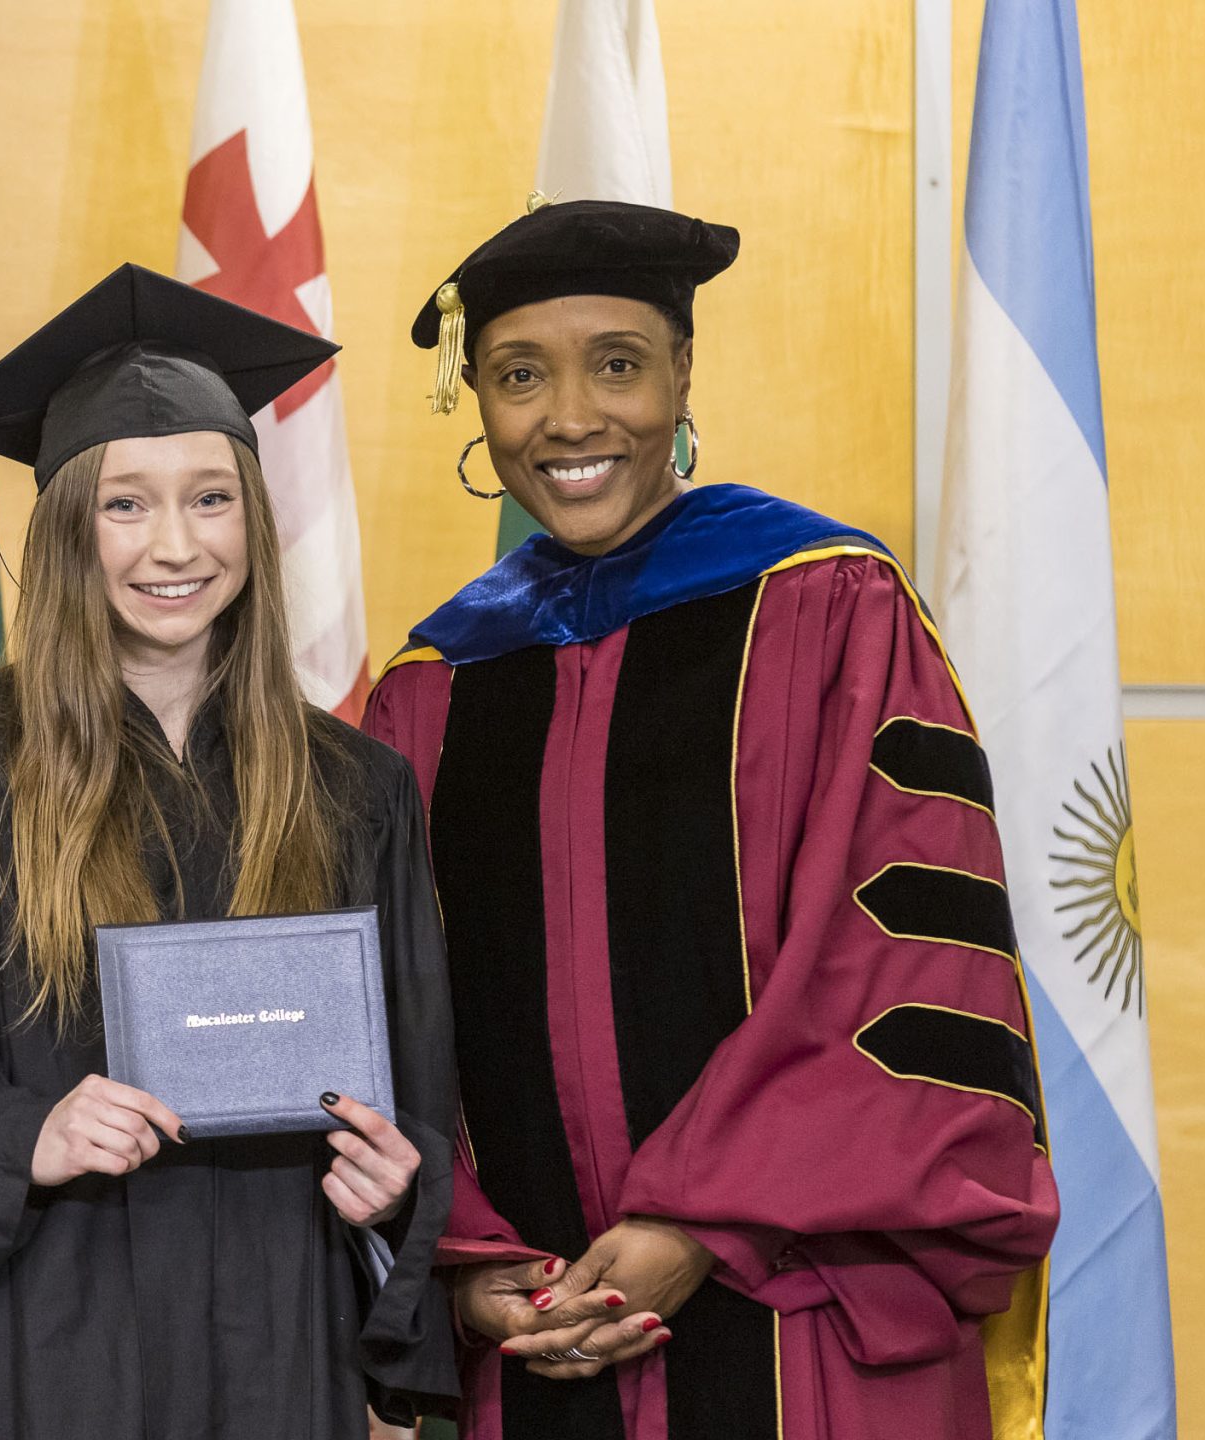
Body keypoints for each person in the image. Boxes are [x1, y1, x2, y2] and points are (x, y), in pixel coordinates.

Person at [362, 199, 1060, 1440]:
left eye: (617, 365)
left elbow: (894, 962)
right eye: (520, 376)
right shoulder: (430, 688)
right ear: (475, 401)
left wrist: (701, 1219)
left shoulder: (831, 607)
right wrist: (467, 1260)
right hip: (527, 1341)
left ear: (683, 375)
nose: (570, 419)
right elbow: (387, 1016)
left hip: (799, 1317)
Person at [0, 265, 462, 1440]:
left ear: (254, 519)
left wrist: (400, 1183)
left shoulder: (353, 787)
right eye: (125, 504)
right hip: (49, 1328)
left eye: (210, 499)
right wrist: (25, 1136)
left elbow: (413, 1074)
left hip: (286, 1327)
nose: (173, 545)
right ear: (68, 524)